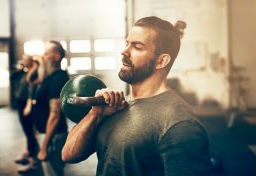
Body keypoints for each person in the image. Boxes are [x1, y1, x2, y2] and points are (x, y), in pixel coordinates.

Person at [62, 16, 212, 176]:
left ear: (161, 61)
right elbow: (68, 154)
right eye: (127, 43)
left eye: (137, 47)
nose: (124, 51)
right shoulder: (117, 105)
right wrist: (96, 113)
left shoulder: (178, 124)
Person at [30, 41, 69, 175]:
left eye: (46, 54)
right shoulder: (49, 78)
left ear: (56, 57)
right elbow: (33, 79)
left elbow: (55, 115)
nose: (42, 57)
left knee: (53, 173)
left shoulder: (59, 79)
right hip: (45, 133)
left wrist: (44, 147)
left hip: (53, 136)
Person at [12, 54, 39, 168]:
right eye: (22, 59)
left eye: (24, 60)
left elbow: (32, 89)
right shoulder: (22, 72)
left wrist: (29, 104)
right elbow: (11, 77)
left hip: (29, 104)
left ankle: (33, 156)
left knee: (30, 130)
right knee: (26, 129)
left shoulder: (35, 72)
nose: (22, 61)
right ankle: (29, 152)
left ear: (30, 61)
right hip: (20, 102)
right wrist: (20, 68)